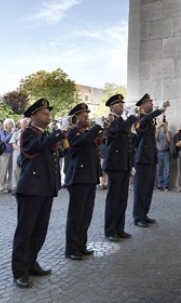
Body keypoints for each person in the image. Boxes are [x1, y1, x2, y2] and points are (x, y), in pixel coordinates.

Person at [12, 98, 66, 289]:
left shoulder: (47, 135)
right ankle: (20, 271)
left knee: (39, 231)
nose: (48, 115)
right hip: (31, 189)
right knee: (25, 231)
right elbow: (35, 146)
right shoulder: (28, 134)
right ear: (33, 116)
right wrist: (58, 135)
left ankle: (31, 262)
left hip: (45, 188)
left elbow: (57, 154)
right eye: (44, 112)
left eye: (48, 112)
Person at [64, 103, 105, 259]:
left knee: (86, 214)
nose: (87, 116)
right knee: (76, 216)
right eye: (83, 115)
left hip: (89, 177)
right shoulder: (73, 132)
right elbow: (82, 141)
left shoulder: (86, 132)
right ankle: (71, 249)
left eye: (87, 114)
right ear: (76, 118)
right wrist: (97, 127)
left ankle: (81, 245)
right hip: (78, 178)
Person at [103, 94, 138, 241]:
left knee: (122, 198)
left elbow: (129, 143)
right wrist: (131, 117)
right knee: (113, 198)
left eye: (123, 105)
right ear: (112, 107)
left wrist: (131, 164)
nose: (122, 107)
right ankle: (110, 230)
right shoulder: (108, 120)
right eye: (119, 105)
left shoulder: (123, 121)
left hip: (124, 163)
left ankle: (119, 228)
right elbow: (119, 129)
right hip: (115, 164)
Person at [133, 94, 169, 228]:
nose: (152, 104)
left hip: (150, 157)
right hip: (142, 158)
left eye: (152, 103)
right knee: (141, 189)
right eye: (149, 103)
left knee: (148, 189)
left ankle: (144, 214)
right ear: (143, 106)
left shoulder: (150, 120)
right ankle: (137, 217)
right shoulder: (140, 119)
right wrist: (159, 111)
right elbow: (145, 120)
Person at [10, 117, 30, 195]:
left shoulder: (32, 132)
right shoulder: (16, 133)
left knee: (27, 170)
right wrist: (20, 150)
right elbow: (13, 143)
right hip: (18, 153)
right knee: (15, 170)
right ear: (20, 123)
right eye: (24, 122)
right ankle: (16, 187)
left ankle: (26, 188)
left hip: (29, 154)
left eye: (27, 122)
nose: (26, 123)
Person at [0, 118, 15, 194]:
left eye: (11, 124)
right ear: (6, 125)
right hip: (4, 153)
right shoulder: (2, 132)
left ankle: (9, 186)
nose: (11, 125)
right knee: (3, 171)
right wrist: (11, 134)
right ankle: (0, 188)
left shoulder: (15, 132)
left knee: (11, 171)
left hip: (13, 153)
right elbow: (4, 140)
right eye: (9, 124)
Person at [155, 120, 171, 191]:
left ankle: (166, 185)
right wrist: (158, 128)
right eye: (163, 125)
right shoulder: (158, 132)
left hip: (166, 152)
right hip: (159, 152)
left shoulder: (169, 133)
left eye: (165, 125)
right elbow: (156, 138)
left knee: (167, 169)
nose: (164, 126)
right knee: (159, 169)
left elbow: (169, 139)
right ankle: (160, 184)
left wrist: (166, 130)